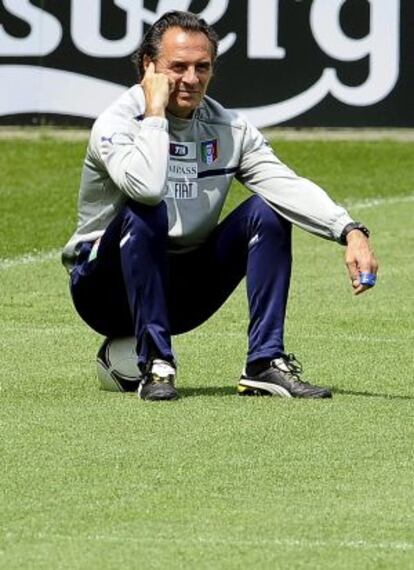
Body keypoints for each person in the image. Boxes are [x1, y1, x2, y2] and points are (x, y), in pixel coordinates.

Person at [62, 10, 378, 401]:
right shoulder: (116, 123)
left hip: (183, 293)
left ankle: (264, 363)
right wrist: (156, 113)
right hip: (105, 290)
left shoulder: (230, 128)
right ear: (149, 66)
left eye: (202, 67)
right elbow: (144, 188)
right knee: (147, 208)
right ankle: (158, 365)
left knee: (270, 208)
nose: (191, 79)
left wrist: (350, 230)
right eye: (178, 67)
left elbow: (285, 184)